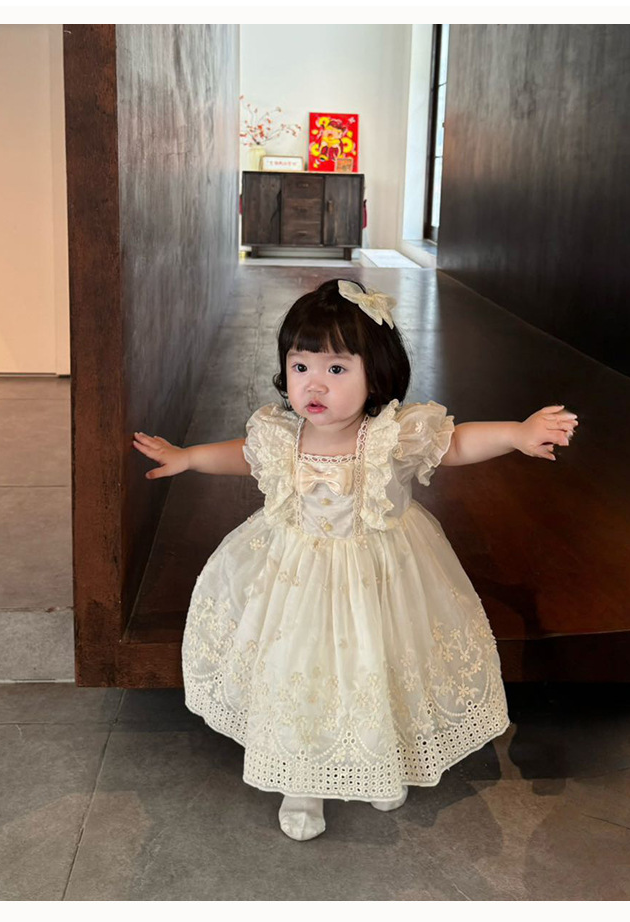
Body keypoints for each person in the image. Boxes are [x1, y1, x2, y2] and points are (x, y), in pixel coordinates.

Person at [132, 278, 578, 841]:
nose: (313, 384)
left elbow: (457, 443)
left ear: (376, 375)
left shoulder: (392, 436)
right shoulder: (281, 435)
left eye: (337, 369)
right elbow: (244, 455)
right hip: (297, 581)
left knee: (378, 666)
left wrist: (517, 433)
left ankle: (378, 758)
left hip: (381, 577)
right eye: (300, 367)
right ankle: (302, 778)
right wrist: (189, 457)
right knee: (301, 669)